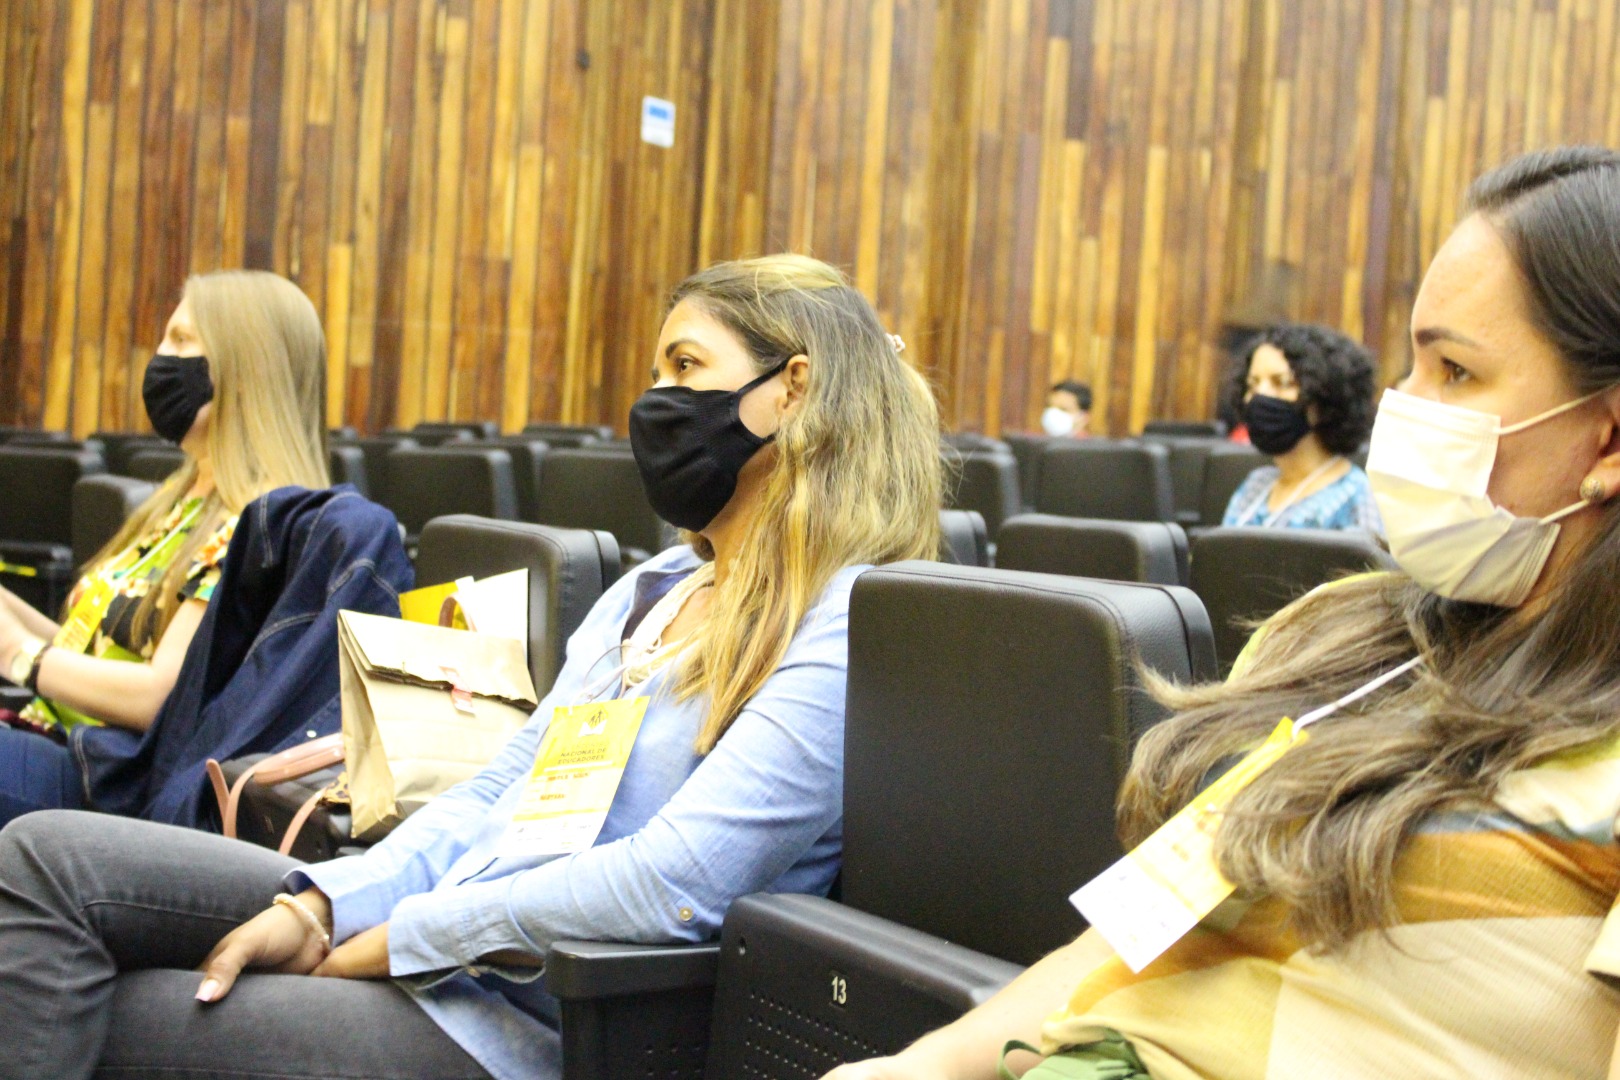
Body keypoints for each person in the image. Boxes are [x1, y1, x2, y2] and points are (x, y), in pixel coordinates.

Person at [0, 253, 943, 1080]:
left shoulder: (844, 624)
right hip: (439, 927)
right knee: (43, 856)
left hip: (532, 1020)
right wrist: (327, 904)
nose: (655, 399)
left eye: (685, 367)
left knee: (111, 1010)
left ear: (792, 389)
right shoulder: (654, 587)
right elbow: (497, 790)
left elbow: (673, 882)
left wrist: (397, 941)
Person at [825, 147, 1620, 1080]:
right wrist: (916, 1068)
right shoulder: (1335, 634)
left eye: (1455, 372)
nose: (1405, 407)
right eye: (1412, 363)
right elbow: (1138, 931)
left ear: (1608, 438)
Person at [0, 270, 329, 824]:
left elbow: (157, 699)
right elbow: (93, 655)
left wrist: (17, 654)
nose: (160, 358)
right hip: (53, 735)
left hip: (104, 780)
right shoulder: (183, 497)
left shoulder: (256, 523)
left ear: (243, 370)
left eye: (181, 341)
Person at [1219, 324, 1382, 532]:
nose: (1260, 395)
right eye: (1252, 384)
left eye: (1282, 383)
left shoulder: (1357, 498)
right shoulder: (1255, 486)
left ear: (1325, 397)